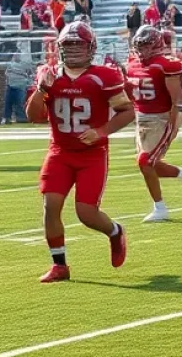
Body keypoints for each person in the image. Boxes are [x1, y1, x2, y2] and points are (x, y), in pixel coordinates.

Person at [25, 22, 134, 282]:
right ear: (59, 48)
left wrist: (102, 130)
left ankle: (115, 231)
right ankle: (59, 265)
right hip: (60, 151)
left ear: (91, 47)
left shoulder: (104, 76)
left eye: (78, 44)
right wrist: (42, 90)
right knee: (50, 206)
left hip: (91, 153)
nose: (74, 50)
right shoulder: (49, 73)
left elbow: (127, 111)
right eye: (69, 44)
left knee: (86, 214)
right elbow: (32, 115)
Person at [126, 25, 182, 222]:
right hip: (140, 118)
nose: (142, 51)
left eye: (147, 46)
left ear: (157, 45)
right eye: (139, 47)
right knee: (148, 164)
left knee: (145, 162)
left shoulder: (166, 64)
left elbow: (176, 98)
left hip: (161, 119)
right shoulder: (132, 64)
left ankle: (160, 208)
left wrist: (175, 124)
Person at [2, 52, 35, 124]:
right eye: (15, 55)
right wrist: (7, 82)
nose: (16, 56)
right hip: (10, 86)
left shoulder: (25, 65)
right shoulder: (10, 65)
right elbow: (6, 74)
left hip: (21, 86)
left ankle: (21, 118)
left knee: (20, 103)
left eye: (18, 55)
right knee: (8, 103)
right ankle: (7, 118)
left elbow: (31, 75)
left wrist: (29, 82)